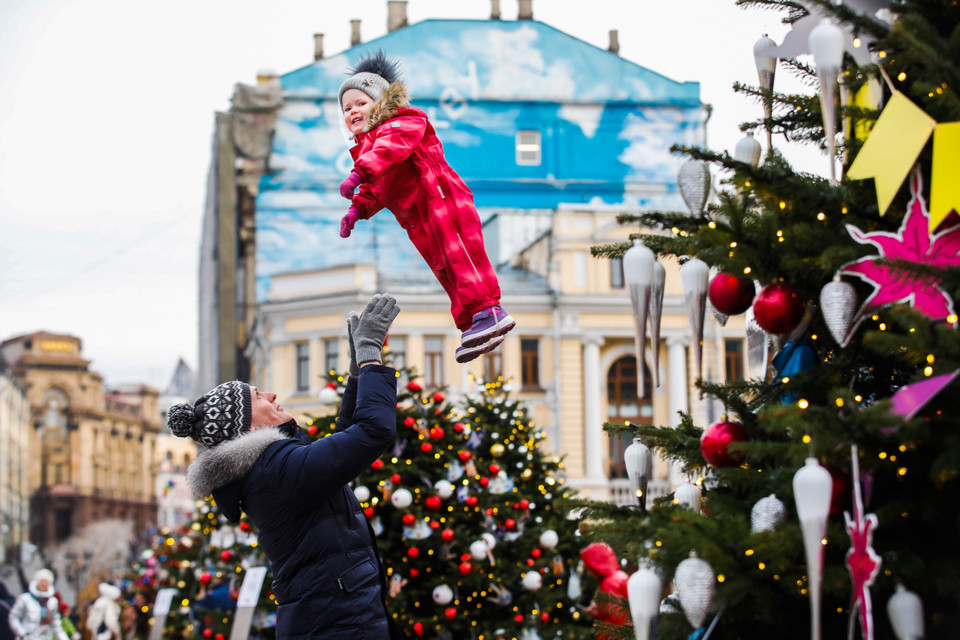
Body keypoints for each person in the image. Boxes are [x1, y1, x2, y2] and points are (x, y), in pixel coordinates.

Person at [168, 294, 402, 640]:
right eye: (259, 397)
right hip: (336, 626)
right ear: (249, 425)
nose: (273, 397)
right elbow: (372, 431)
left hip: (335, 620)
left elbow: (342, 442)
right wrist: (370, 357)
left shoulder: (269, 468)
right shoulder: (275, 470)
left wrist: (357, 376)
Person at [337, 51, 515, 363]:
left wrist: (357, 173)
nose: (353, 111)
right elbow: (379, 187)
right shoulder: (367, 148)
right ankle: (474, 323)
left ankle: (489, 309)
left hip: (443, 200)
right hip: (418, 218)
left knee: (460, 255)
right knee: (444, 267)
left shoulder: (403, 122)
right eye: (347, 108)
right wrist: (357, 210)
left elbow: (389, 151)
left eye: (361, 103)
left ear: (380, 103)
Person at [8, 569, 68, 640]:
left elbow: (56, 625)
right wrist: (22, 633)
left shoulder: (52, 602)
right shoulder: (25, 599)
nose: (43, 584)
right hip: (27, 637)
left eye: (45, 582)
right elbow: (13, 617)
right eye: (41, 581)